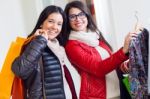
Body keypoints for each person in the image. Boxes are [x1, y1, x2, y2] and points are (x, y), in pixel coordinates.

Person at [64, 1, 136, 99]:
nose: (78, 19)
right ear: (67, 21)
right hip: (97, 96)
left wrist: (124, 66)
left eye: (81, 14)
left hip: (119, 92)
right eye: (72, 16)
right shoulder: (71, 45)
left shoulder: (96, 37)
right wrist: (123, 50)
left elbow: (110, 63)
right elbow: (98, 68)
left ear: (87, 15)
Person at [11, 5, 79, 99]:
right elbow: (20, 71)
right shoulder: (33, 44)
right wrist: (39, 41)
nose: (55, 27)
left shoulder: (58, 47)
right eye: (51, 21)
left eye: (59, 24)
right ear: (41, 23)